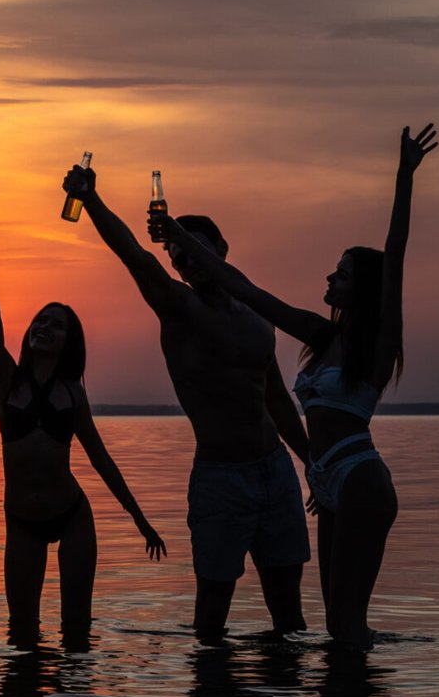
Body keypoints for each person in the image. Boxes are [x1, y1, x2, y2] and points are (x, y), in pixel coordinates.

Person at [157, 124, 438, 650]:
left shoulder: (378, 346)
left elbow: (395, 256)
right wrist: (176, 233)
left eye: (342, 275)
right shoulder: (319, 333)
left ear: (365, 291)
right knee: (336, 625)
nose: (330, 279)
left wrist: (404, 176)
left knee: (348, 624)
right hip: (327, 478)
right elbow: (245, 288)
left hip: (360, 477)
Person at [62, 163, 311, 640]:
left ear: (221, 250)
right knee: (211, 623)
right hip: (221, 478)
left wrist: (312, 463)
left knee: (290, 619)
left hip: (276, 472)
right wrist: (91, 200)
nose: (184, 262)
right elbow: (132, 253)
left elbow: (276, 398)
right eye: (177, 255)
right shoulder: (181, 309)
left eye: (192, 250)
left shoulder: (257, 316)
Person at [0, 220, 166, 644]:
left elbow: (99, 458)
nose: (44, 327)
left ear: (68, 342)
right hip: (21, 520)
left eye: (56, 325)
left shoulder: (73, 392)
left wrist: (139, 519)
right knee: (22, 634)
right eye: (41, 320)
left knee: (76, 632)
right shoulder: (7, 379)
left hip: (72, 514)